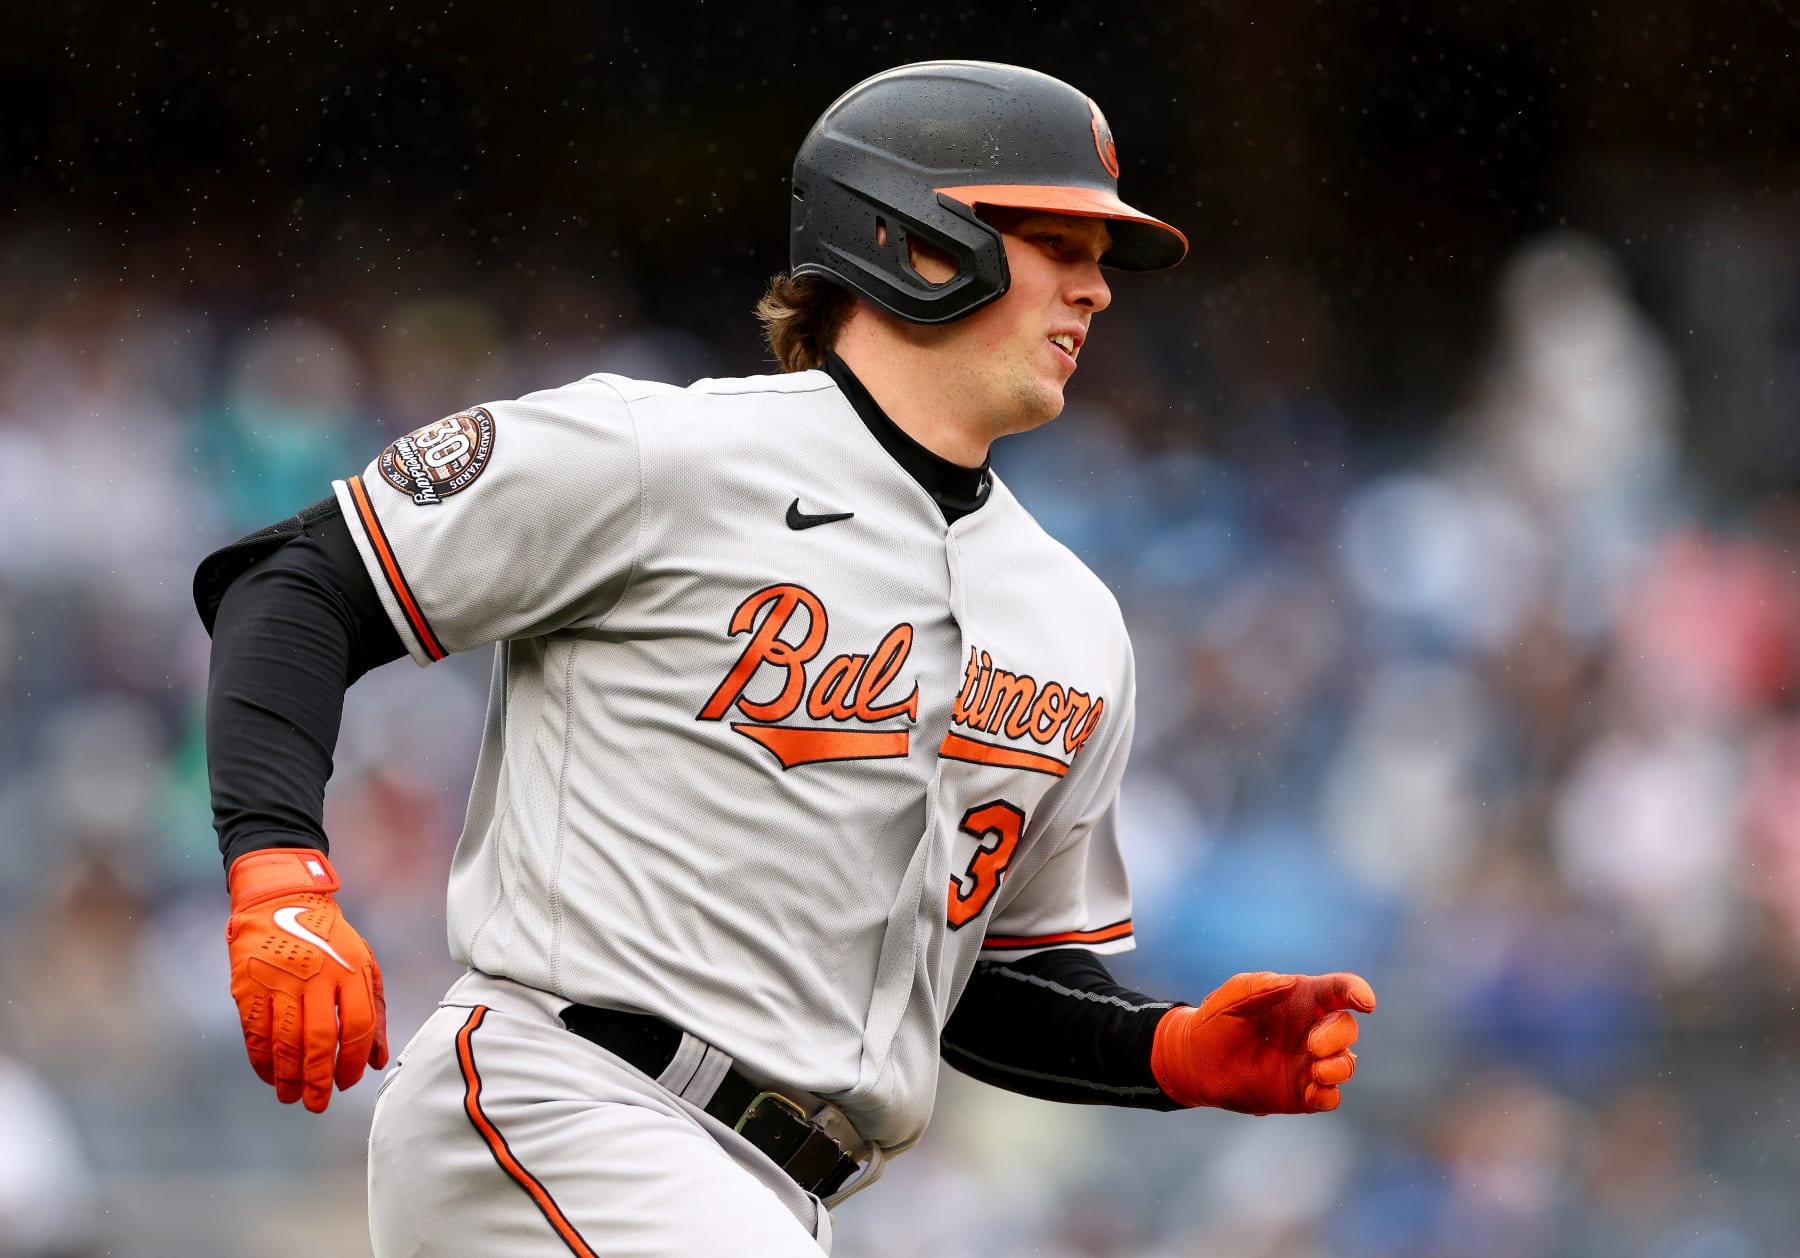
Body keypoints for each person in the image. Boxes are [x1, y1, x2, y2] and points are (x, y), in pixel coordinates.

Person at [196, 60, 1376, 1256]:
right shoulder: (665, 455)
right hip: (566, 1105)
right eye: (1058, 240)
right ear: (917, 237)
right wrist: (279, 876)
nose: (1096, 290)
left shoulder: (1074, 619)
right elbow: (298, 583)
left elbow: (975, 986)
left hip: (777, 1195)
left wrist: (1169, 1049)